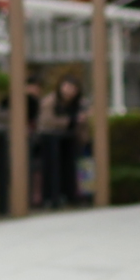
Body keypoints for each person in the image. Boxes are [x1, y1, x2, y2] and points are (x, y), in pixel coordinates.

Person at [38, 73, 92, 210]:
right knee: (53, 164)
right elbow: (46, 122)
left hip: (74, 140)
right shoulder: (50, 101)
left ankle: (79, 195)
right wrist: (71, 121)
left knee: (82, 161)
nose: (70, 91)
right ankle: (53, 196)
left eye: (73, 88)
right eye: (67, 87)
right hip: (51, 140)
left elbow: (88, 121)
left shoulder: (81, 103)